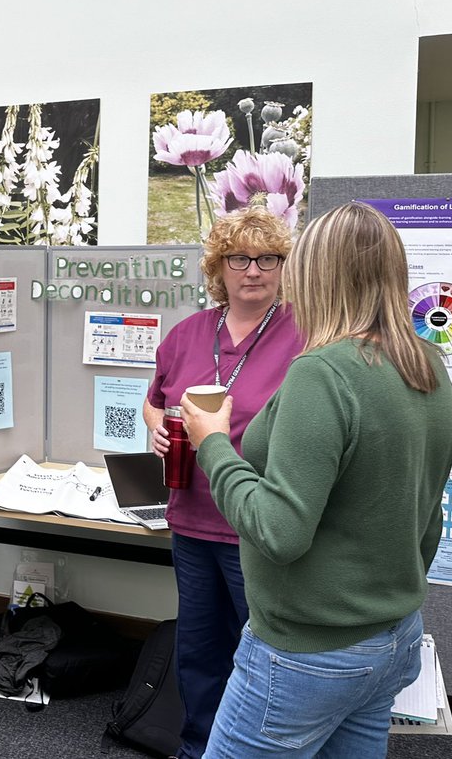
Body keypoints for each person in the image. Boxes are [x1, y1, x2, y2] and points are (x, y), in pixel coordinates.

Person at [182, 201, 452, 758]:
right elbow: (429, 517)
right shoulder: (426, 363)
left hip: (307, 654)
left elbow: (281, 533)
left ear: (314, 274)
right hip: (392, 636)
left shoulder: (322, 372)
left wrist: (212, 443)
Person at [142, 206, 305, 759]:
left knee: (263, 656)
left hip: (256, 527)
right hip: (190, 521)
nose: (253, 270)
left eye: (267, 258)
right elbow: (153, 401)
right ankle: (198, 748)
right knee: (198, 650)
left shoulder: (304, 336)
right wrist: (158, 432)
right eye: (239, 258)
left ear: (284, 268)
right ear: (219, 267)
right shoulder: (188, 333)